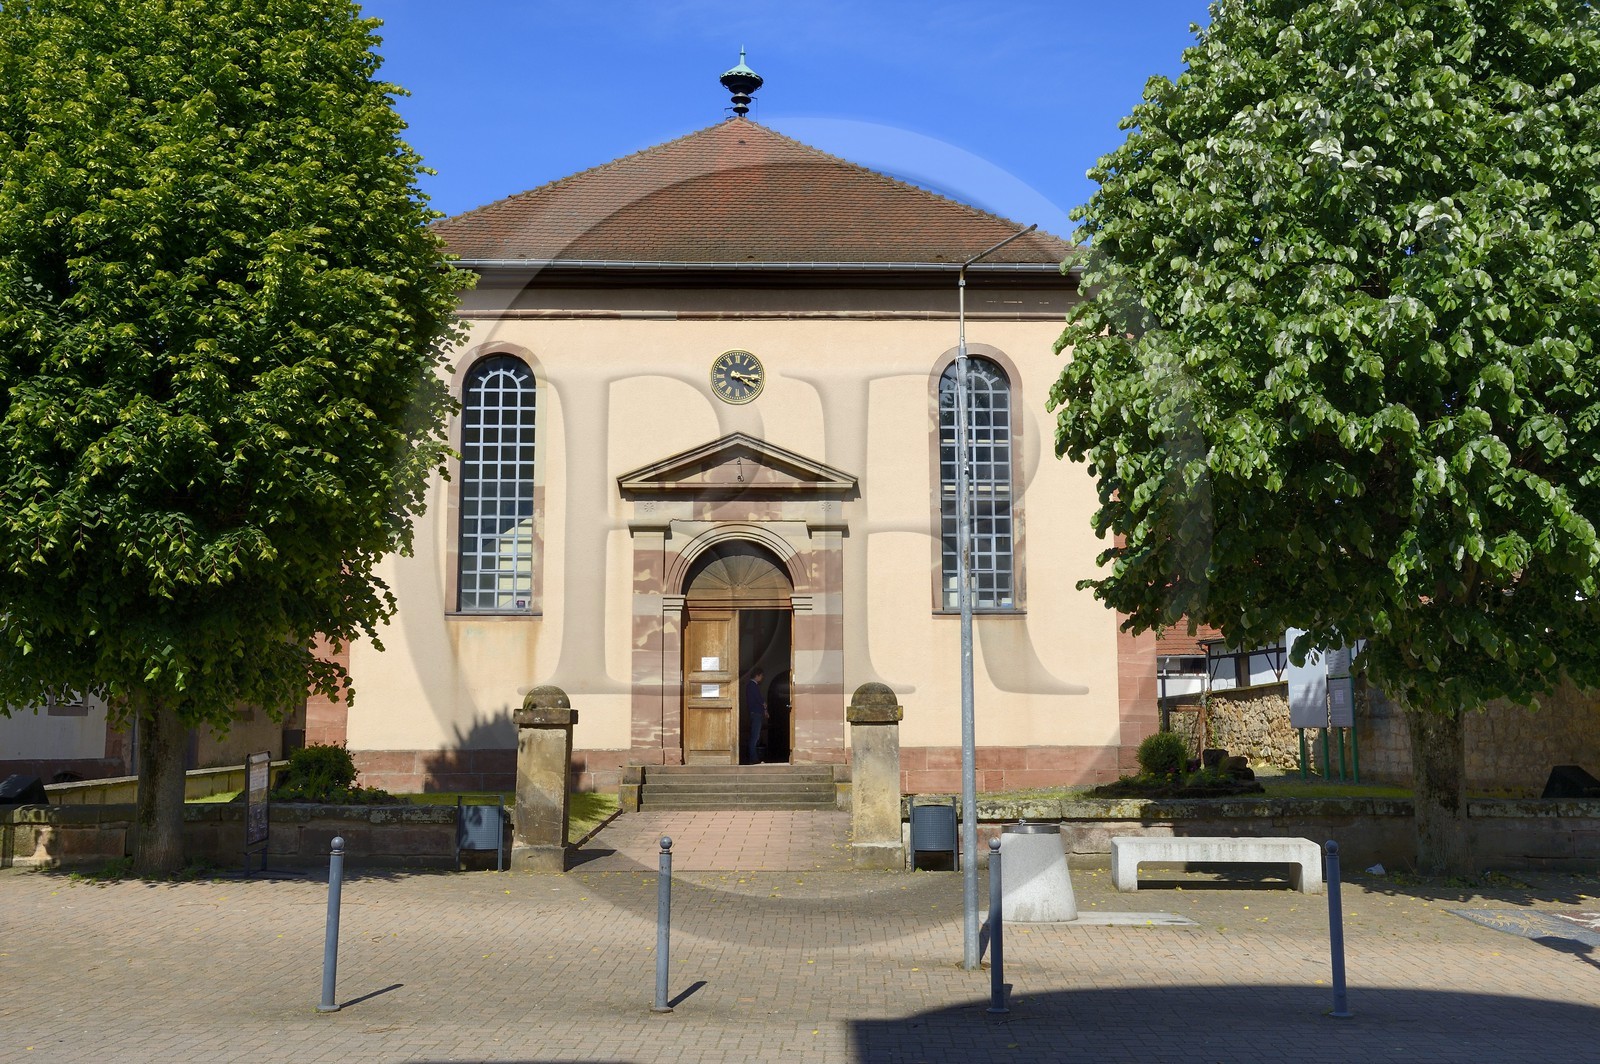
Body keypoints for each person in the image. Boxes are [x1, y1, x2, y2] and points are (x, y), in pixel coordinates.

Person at [743, 666, 766, 764]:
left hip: (754, 712)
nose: (762, 678)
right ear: (757, 675)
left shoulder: (750, 685)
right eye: (761, 676)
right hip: (756, 713)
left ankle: (753, 757)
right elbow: (759, 699)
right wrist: (764, 705)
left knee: (754, 736)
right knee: (755, 737)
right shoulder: (753, 685)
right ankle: (753, 758)